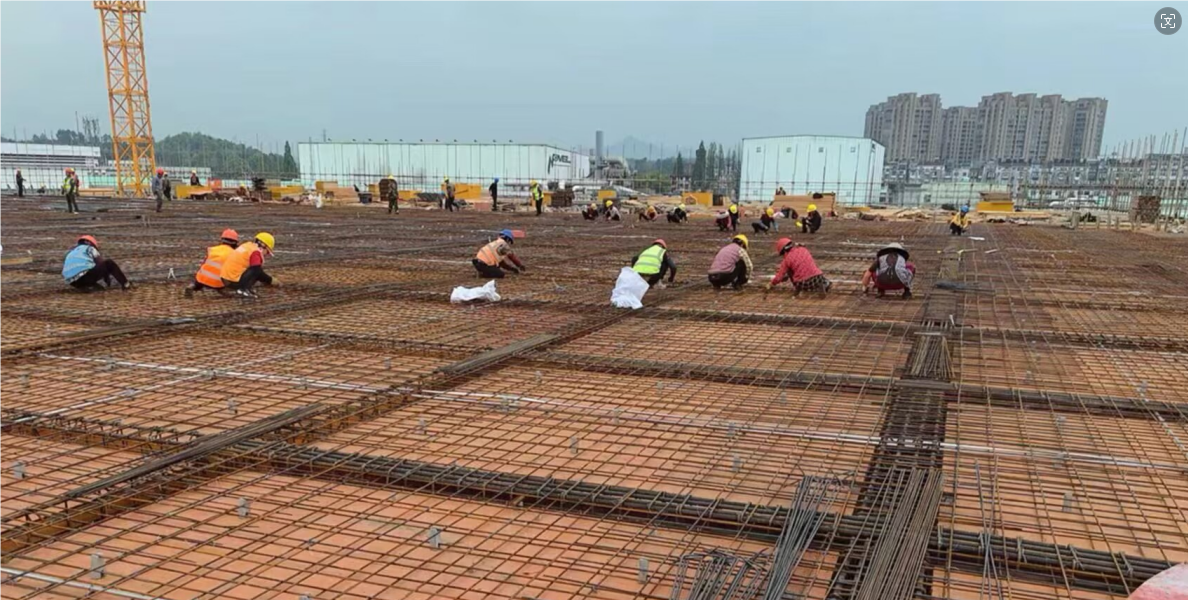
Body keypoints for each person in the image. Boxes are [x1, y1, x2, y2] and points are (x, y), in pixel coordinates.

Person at [220, 232, 279, 298]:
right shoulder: (255, 252)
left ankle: (244, 288)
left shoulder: (247, 246)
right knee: (256, 269)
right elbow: (257, 271)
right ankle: (243, 289)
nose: (266, 254)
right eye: (267, 252)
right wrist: (270, 280)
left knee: (255, 270)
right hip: (233, 281)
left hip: (225, 279)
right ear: (263, 245)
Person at [62, 235, 131, 291]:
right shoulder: (89, 248)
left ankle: (86, 287)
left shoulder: (71, 252)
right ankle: (126, 284)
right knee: (109, 263)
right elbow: (100, 262)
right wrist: (107, 277)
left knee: (100, 289)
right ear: (90, 243)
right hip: (86, 276)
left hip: (72, 282)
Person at [185, 229, 239, 298]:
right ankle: (224, 290)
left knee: (200, 278)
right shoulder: (234, 254)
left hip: (202, 279)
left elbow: (204, 263)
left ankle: (192, 286)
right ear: (235, 243)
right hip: (218, 282)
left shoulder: (212, 249)